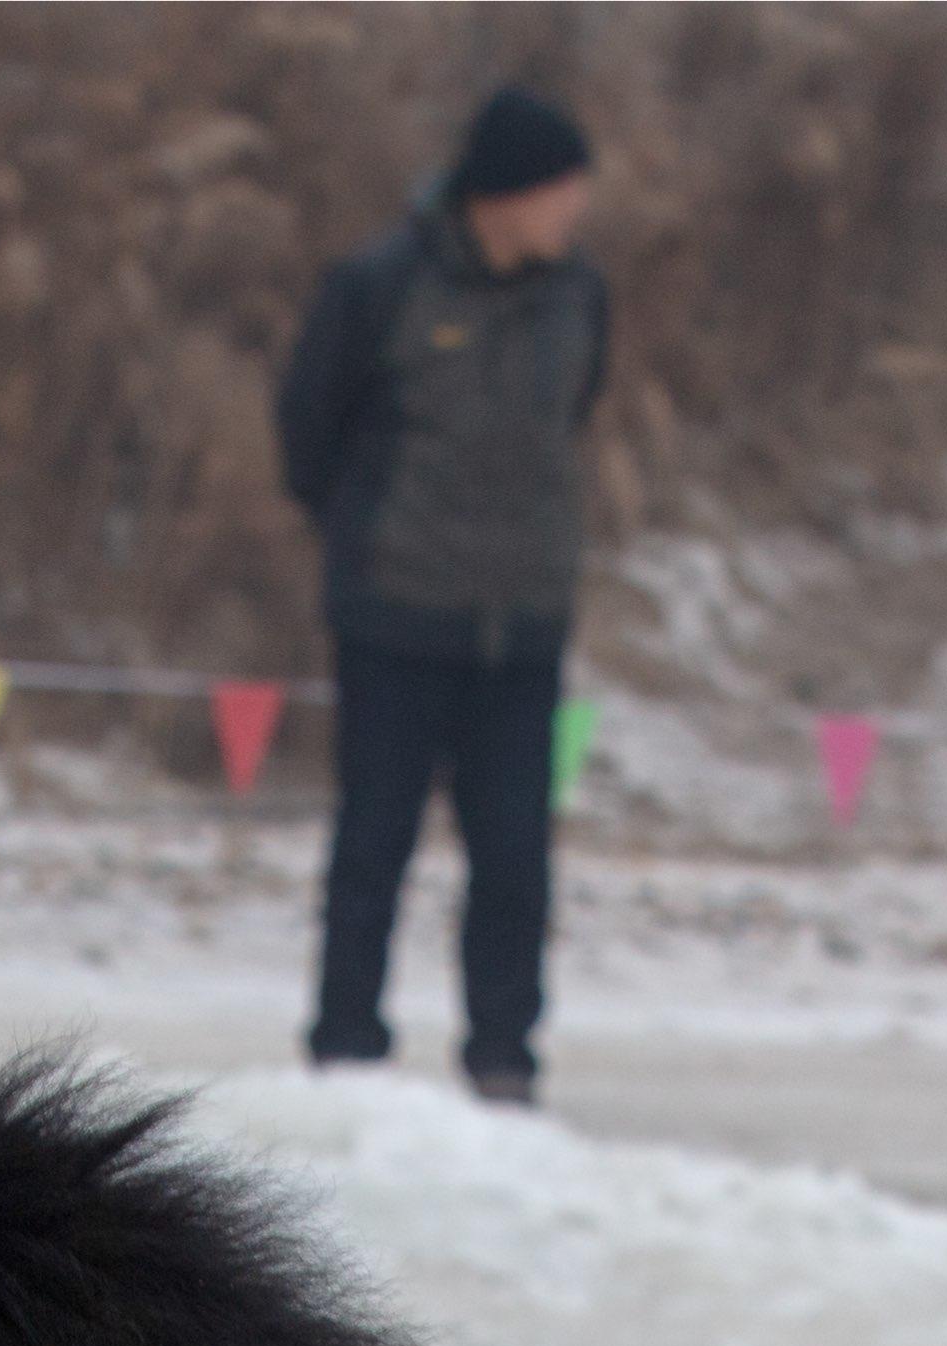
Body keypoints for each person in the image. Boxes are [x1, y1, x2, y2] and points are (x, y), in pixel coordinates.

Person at [277, 79, 609, 1104]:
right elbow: (308, 436)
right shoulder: (378, 286)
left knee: (515, 860)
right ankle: (344, 1052)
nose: (577, 210)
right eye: (564, 190)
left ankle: (504, 1061)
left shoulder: (581, 296)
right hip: (395, 619)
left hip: (524, 629)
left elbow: (577, 416)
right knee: (374, 843)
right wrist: (374, 543)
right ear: (503, 195)